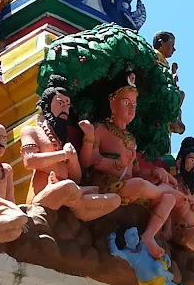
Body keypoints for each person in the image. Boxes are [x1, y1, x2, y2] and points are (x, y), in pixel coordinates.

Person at [79, 69, 184, 260]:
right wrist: (116, 162)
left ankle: (148, 236)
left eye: (134, 104)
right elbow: (88, 160)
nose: (131, 109)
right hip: (107, 185)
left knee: (167, 198)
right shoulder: (100, 129)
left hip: (130, 188)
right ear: (112, 103)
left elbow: (134, 171)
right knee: (144, 186)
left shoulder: (131, 139)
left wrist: (155, 171)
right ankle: (160, 190)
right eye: (126, 102)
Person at [18, 75, 120, 220]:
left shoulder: (63, 139)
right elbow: (29, 161)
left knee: (113, 198)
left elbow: (76, 177)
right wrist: (63, 155)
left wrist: (72, 159)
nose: (65, 109)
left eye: (67, 105)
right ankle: (78, 206)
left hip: (68, 192)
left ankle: (76, 206)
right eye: (60, 103)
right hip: (44, 195)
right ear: (47, 105)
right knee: (69, 187)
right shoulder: (31, 131)